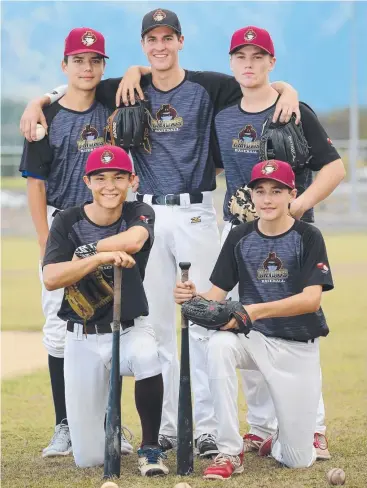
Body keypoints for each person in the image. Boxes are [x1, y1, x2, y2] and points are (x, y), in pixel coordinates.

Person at [19, 8, 300, 458]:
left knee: (204, 318)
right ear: (144, 45)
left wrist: (289, 88)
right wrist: (38, 101)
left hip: (194, 212)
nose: (160, 45)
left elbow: (257, 84)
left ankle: (206, 427)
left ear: (181, 42)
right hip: (146, 211)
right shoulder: (128, 87)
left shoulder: (209, 84)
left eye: (168, 37)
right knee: (154, 327)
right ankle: (168, 428)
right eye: (152, 39)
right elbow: (75, 87)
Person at [213, 26, 345, 460]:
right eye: (241, 56)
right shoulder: (224, 114)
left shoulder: (295, 110)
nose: (249, 63)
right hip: (240, 236)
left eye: (258, 56)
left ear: (272, 62)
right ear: (232, 64)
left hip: (290, 236)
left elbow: (334, 169)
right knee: (244, 326)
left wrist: (299, 207)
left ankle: (314, 427)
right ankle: (261, 427)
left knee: (296, 332)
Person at [174, 160, 334, 479]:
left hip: (297, 348)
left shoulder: (308, 236)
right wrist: (191, 296)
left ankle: (279, 442)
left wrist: (255, 310)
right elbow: (215, 296)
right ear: (251, 196)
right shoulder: (239, 237)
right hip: (255, 341)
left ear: (292, 193)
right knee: (219, 345)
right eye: (260, 191)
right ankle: (229, 452)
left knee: (297, 459)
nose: (267, 199)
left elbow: (311, 299)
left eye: (276, 191)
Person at [18, 28, 133, 457]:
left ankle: (112, 424)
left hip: (106, 221)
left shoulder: (113, 108)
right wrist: (47, 243)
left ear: (103, 66)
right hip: (62, 221)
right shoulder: (45, 120)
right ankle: (64, 424)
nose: (87, 68)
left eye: (95, 61)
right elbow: (35, 186)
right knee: (60, 327)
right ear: (64, 66)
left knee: (110, 319)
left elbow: (143, 76)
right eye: (79, 60)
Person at [42, 144, 169, 476]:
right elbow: (51, 277)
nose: (109, 186)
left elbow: (136, 240)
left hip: (129, 328)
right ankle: (107, 430)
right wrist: (98, 259)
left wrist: (85, 250)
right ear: (87, 181)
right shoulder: (66, 220)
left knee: (146, 355)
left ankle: (151, 447)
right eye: (100, 178)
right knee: (88, 458)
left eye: (118, 177)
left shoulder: (138, 212)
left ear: (132, 180)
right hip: (82, 336)